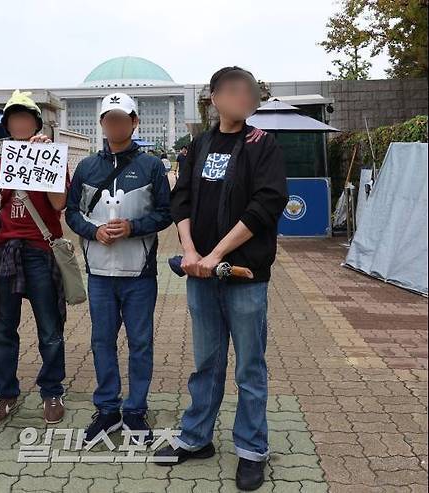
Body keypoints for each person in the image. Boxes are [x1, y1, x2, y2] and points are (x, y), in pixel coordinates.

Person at [153, 67, 288, 492]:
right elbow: (182, 198)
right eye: (231, 91)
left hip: (245, 276)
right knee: (207, 363)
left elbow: (267, 203)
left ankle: (251, 450)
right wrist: (192, 251)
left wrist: (216, 254)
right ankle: (197, 439)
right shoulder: (198, 145)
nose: (239, 98)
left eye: (246, 91)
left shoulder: (262, 145)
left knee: (250, 366)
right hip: (200, 274)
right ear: (213, 98)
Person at [65, 92, 171, 444]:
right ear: (102, 124)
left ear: (134, 122)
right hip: (98, 273)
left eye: (122, 119)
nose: (116, 125)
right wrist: (93, 231)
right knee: (101, 341)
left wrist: (133, 227)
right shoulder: (86, 167)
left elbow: (165, 214)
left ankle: (136, 410)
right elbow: (71, 213)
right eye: (109, 119)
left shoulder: (151, 166)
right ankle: (107, 408)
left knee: (140, 343)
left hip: (139, 273)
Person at [0, 90, 69, 428]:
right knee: (4, 329)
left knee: (49, 327)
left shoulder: (50, 155)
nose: (19, 123)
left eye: (25, 118)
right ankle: (5, 394)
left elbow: (59, 204)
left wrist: (45, 157)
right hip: (5, 251)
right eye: (13, 119)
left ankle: (52, 391)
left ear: (35, 122)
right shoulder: (2, 160)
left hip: (40, 251)